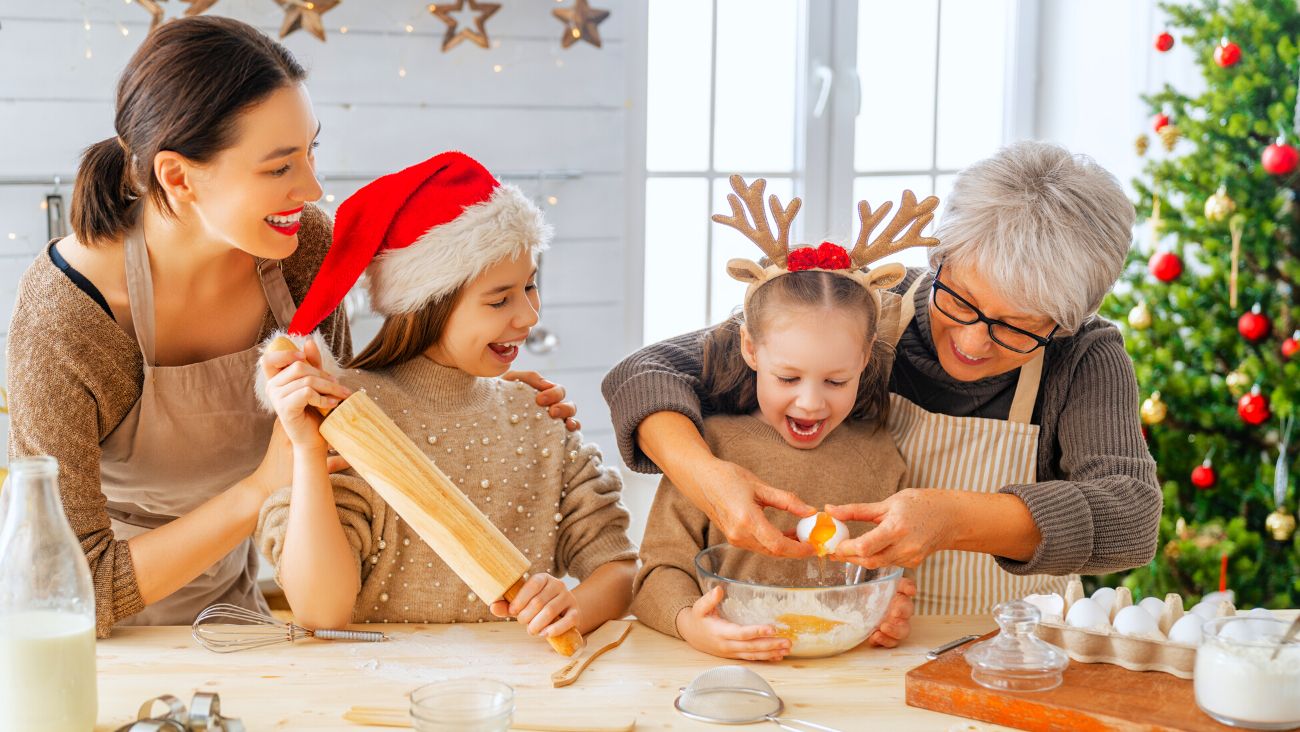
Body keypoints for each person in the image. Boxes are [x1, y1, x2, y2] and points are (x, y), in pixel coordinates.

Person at [5, 18, 573, 637]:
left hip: (234, 620)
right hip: (91, 645)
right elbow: (66, 587)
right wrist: (257, 491)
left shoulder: (302, 253)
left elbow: (344, 427)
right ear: (177, 176)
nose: (312, 189)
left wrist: (476, 391)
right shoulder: (68, 318)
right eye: (279, 168)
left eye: (311, 152)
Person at [604, 142, 1160, 614]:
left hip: (1014, 648)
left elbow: (1131, 516)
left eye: (1016, 329)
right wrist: (708, 479)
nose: (971, 343)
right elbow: (643, 374)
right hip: (867, 646)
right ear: (940, 257)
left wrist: (953, 520)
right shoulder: (863, 307)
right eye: (961, 302)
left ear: (1066, 322)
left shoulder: (1084, 358)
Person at [256, 152, 637, 638]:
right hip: (379, 697)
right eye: (499, 299)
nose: (528, 316)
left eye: (530, 286)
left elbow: (619, 568)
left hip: (519, 696)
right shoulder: (348, 417)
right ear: (426, 305)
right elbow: (319, 613)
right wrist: (309, 453)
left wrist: (573, 608)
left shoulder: (537, 417)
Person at [633, 177, 925, 658]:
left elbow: (889, 575)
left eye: (835, 382)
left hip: (845, 679)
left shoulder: (880, 456)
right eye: (788, 378)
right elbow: (655, 575)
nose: (811, 404)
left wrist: (890, 611)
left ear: (866, 358)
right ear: (751, 348)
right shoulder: (709, 447)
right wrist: (690, 624)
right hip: (721, 668)